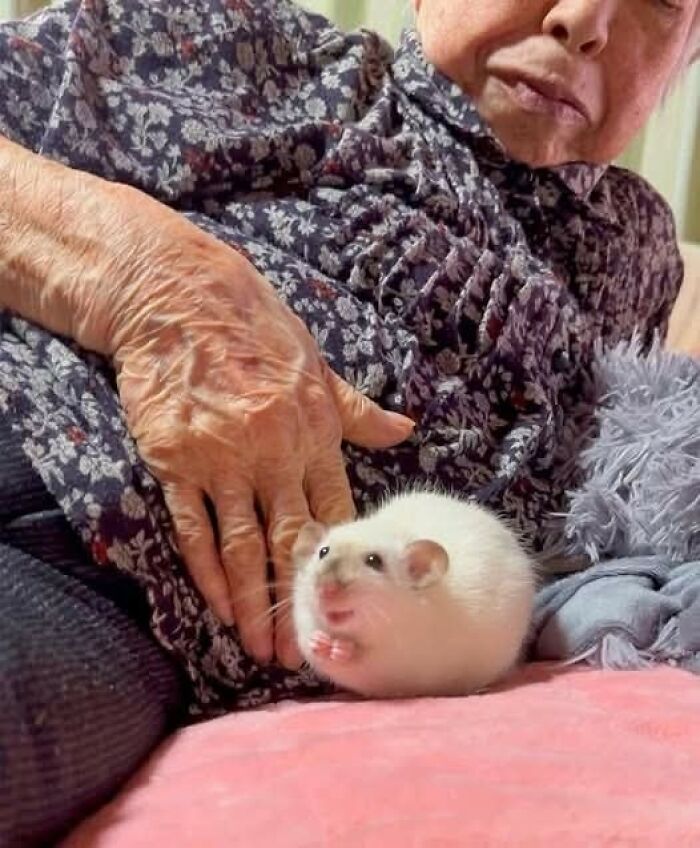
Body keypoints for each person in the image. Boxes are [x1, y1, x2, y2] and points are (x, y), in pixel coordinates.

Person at [0, 0, 698, 842]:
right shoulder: (247, 52)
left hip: (136, 619)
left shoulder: (638, 256)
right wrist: (144, 277)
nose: (583, 18)